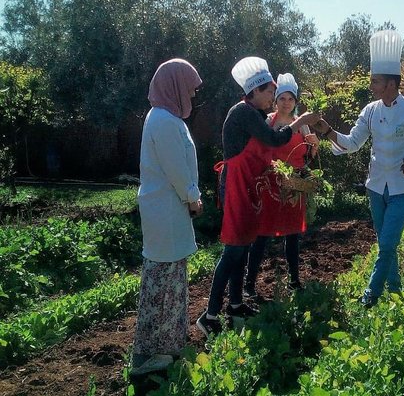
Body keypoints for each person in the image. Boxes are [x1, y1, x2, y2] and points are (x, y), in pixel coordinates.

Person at [313, 30, 404, 308]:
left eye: (376, 81)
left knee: (385, 245)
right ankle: (395, 291)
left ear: (391, 83)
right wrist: (328, 132)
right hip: (375, 187)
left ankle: (369, 297)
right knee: (387, 244)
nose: (371, 86)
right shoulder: (370, 110)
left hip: (402, 188)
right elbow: (353, 143)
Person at [197, 57, 320, 336]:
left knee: (242, 247)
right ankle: (210, 314)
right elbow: (275, 140)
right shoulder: (244, 113)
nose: (272, 99)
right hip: (238, 185)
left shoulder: (252, 114)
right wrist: (300, 121)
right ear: (254, 91)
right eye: (269, 93)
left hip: (250, 186)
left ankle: (237, 303)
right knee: (233, 251)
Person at [132, 58, 204, 375]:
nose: (192, 94)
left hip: (167, 212)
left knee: (170, 281)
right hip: (167, 211)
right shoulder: (163, 120)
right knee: (163, 283)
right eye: (189, 88)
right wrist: (193, 196)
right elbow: (176, 170)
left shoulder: (166, 118)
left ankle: (167, 347)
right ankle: (152, 354)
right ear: (174, 86)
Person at [244, 73, 319, 297]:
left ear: (296, 102)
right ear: (275, 100)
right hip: (272, 184)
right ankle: (249, 284)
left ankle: (294, 280)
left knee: (293, 234)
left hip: (295, 185)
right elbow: (259, 149)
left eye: (290, 99)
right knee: (262, 233)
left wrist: (315, 146)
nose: (286, 103)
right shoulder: (268, 122)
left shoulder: (303, 126)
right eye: (282, 98)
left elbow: (308, 157)